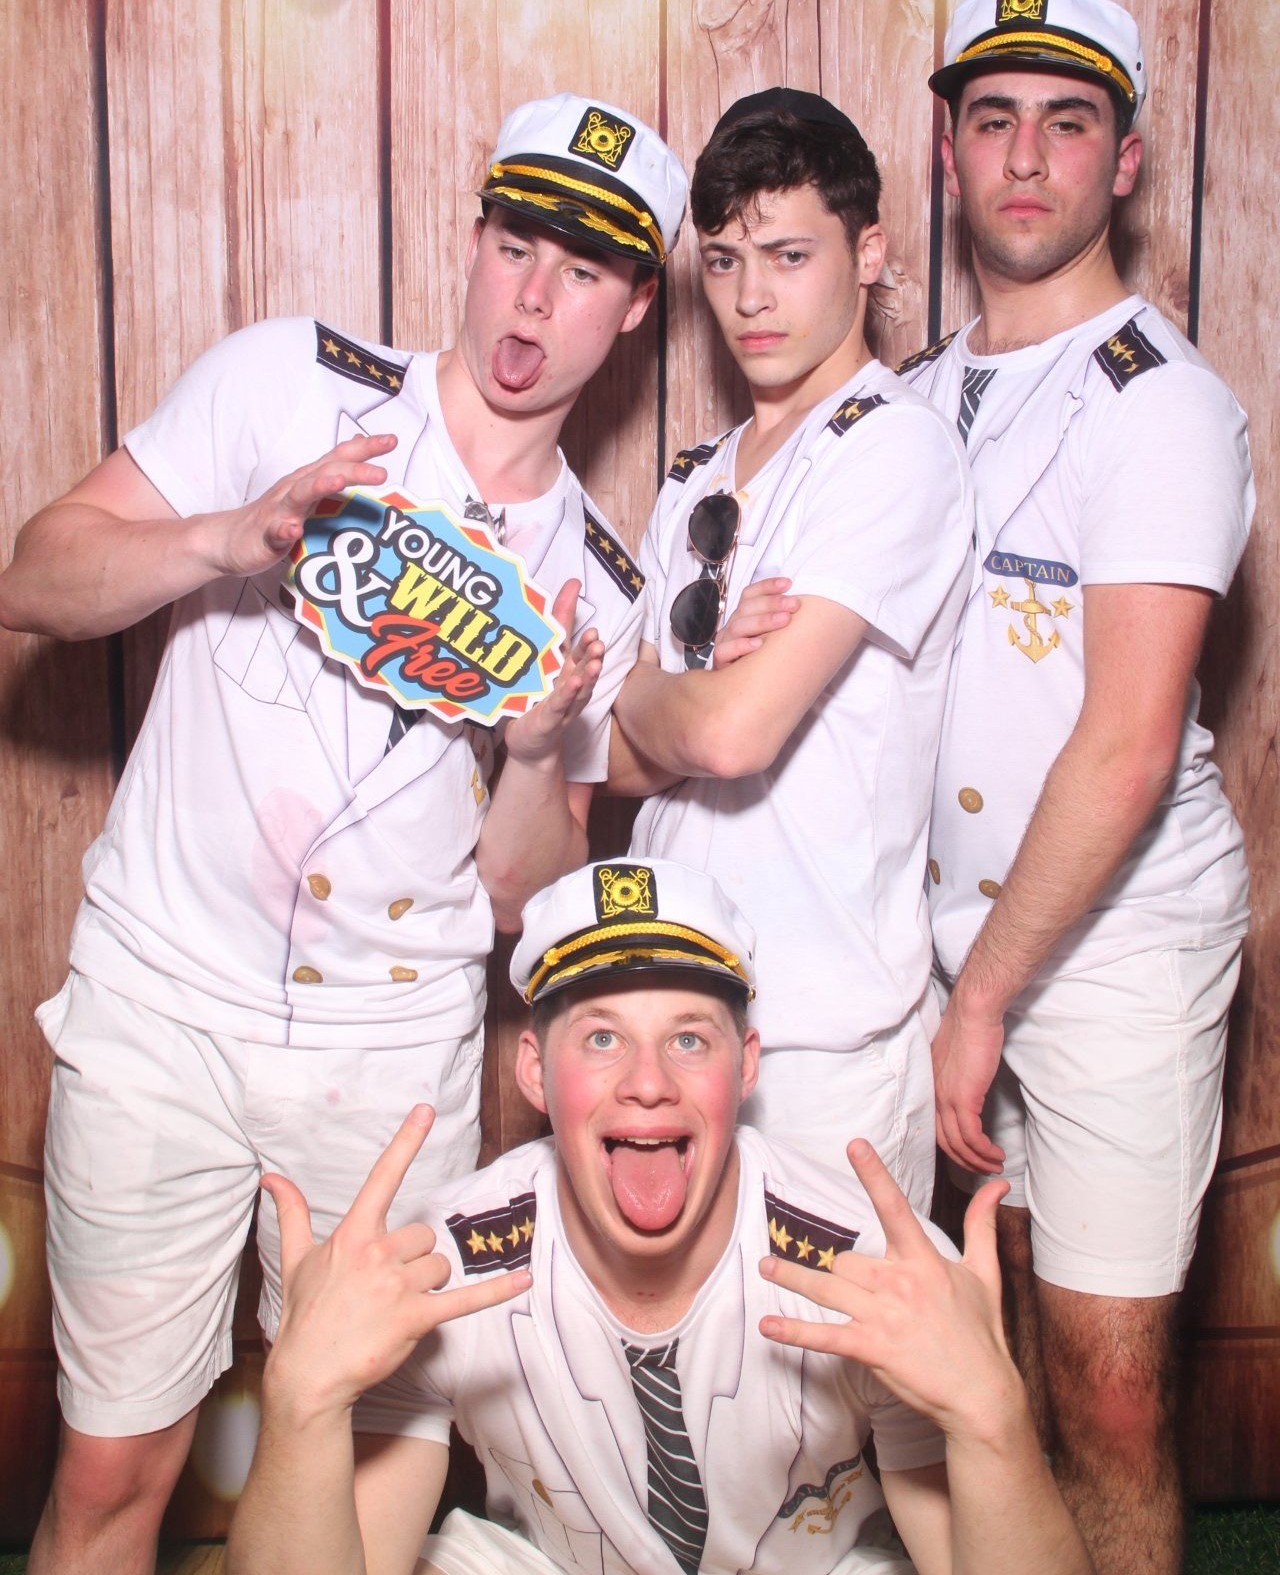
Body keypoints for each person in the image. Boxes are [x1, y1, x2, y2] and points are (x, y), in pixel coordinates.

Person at [0, 92, 687, 1575]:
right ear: (474, 237)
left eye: (582, 272)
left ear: (634, 308)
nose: (533, 298)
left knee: (368, 1478)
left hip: (387, 1053)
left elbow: (525, 897)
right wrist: (228, 538)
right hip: (163, 1000)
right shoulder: (288, 383)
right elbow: (34, 575)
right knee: (112, 1466)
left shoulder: (598, 585)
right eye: (517, 246)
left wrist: (531, 754)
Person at [227, 854, 1093, 1575]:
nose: (648, 1082)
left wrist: (994, 1416)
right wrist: (300, 1402)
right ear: (534, 1072)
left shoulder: (869, 1268)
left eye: (688, 1038)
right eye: (601, 1038)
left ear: (745, 1068)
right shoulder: (439, 1270)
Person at [899, 0, 1254, 1575]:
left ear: (1126, 159)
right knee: (984, 1374)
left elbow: (1124, 746)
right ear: (950, 154)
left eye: (1068, 121)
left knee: (1108, 1393)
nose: (1027, 157)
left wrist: (980, 1000)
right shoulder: (909, 395)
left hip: (1106, 945)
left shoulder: (1162, 403)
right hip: (939, 933)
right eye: (993, 120)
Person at [607, 88, 974, 1201]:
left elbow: (729, 739)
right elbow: (607, 767)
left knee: (837, 1327)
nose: (750, 297)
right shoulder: (692, 479)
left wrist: (649, 690)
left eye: (788, 255)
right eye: (723, 261)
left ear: (867, 254)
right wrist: (692, 691)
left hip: (826, 1042)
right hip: (676, 1016)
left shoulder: (893, 449)